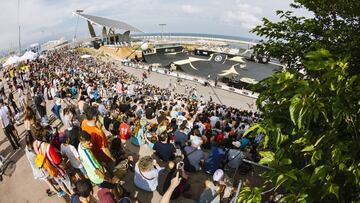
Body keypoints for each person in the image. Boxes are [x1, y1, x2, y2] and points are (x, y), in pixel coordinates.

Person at [81, 106, 115, 171]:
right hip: (102, 156)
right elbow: (104, 149)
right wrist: (112, 158)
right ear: (94, 117)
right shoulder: (99, 132)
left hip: (93, 153)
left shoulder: (83, 122)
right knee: (110, 167)